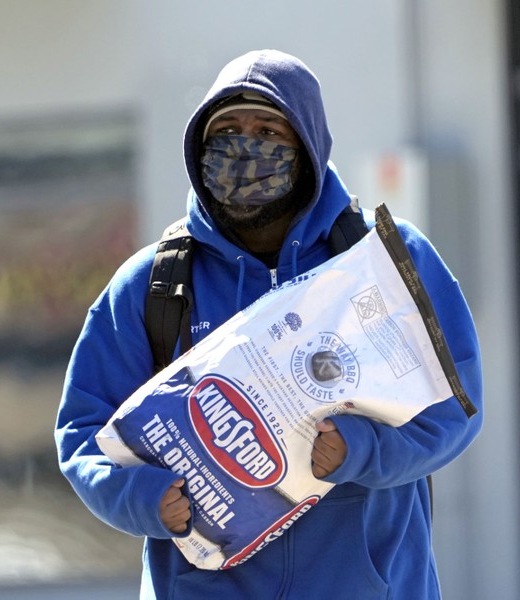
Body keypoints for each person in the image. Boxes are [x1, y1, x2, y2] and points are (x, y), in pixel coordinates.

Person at [56, 49, 483, 599]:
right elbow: (85, 430)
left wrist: (361, 449)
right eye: (226, 131)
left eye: (267, 130)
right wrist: (142, 498)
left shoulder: (384, 258)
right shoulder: (154, 285)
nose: (244, 146)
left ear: (307, 146)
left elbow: (455, 403)